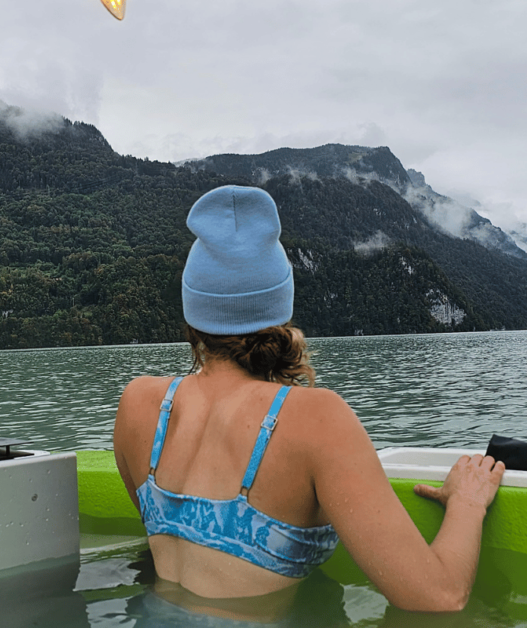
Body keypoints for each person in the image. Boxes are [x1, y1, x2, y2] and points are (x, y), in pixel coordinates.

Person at [112, 185, 504, 613]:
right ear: (281, 305)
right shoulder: (316, 419)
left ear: (193, 309)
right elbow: (438, 596)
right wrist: (467, 501)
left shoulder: (139, 403)